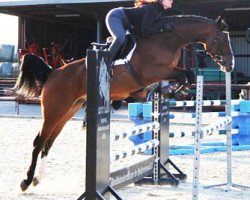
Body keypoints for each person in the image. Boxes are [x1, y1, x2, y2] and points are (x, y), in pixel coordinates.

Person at [105, 0, 174, 63]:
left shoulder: (159, 11)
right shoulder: (153, 9)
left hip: (127, 23)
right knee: (120, 38)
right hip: (116, 16)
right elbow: (145, 31)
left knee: (132, 42)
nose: (172, 1)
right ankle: (105, 61)